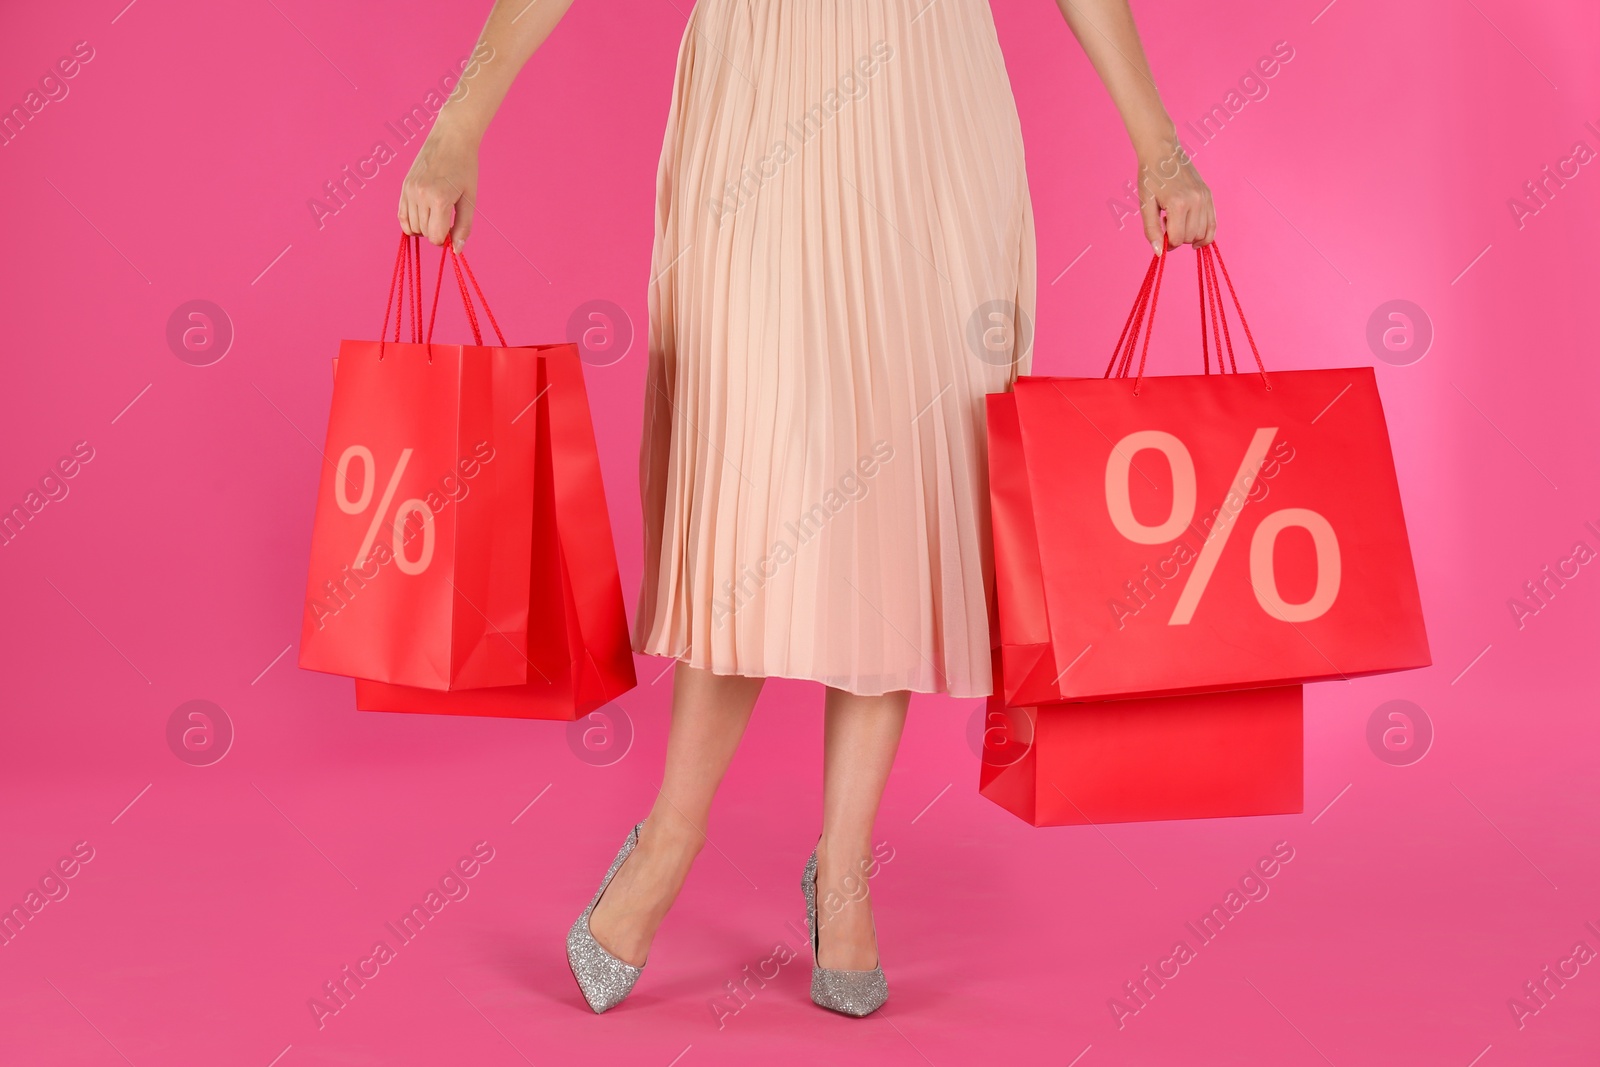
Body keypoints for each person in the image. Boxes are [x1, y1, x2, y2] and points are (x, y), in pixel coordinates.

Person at [399, 0, 1215, 1017]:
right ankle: (669, 837)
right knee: (750, 471)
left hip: (933, 103)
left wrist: (1158, 148)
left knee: (905, 487)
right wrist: (457, 125)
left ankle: (842, 871)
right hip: (761, 96)